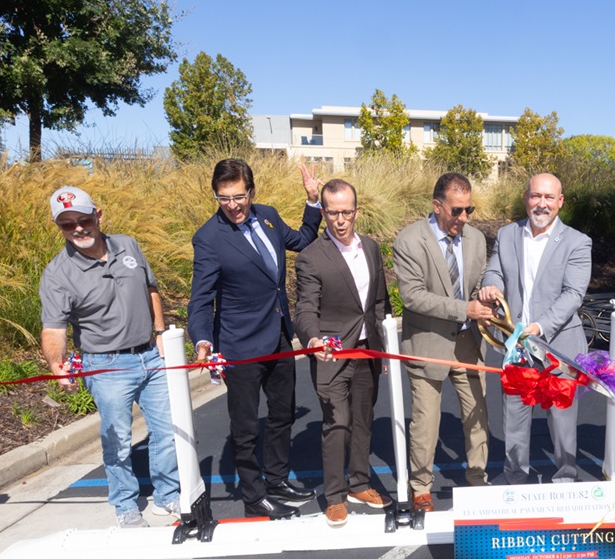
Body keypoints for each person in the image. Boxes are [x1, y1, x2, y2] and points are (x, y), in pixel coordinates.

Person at [188, 159, 321, 520]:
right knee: (245, 428)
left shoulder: (269, 216)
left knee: (283, 414)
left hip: (278, 337)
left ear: (251, 191)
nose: (232, 205)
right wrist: (202, 340)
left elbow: (303, 240)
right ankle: (254, 496)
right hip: (239, 346)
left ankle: (276, 480)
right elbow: (201, 299)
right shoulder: (209, 238)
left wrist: (313, 201)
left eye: (239, 196)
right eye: (224, 198)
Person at [40, 187, 180, 528]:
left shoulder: (128, 245)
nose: (78, 228)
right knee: (117, 440)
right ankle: (125, 505)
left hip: (150, 356)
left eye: (84, 219)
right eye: (67, 224)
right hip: (105, 366)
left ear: (98, 215)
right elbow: (54, 328)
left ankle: (168, 494)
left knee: (168, 431)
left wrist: (160, 332)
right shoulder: (57, 274)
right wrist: (57, 365)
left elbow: (150, 288)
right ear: (59, 227)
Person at [479, 173, 592, 484]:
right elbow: (494, 270)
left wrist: (539, 327)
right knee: (514, 419)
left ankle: (565, 480)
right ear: (526, 198)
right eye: (535, 196)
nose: (541, 204)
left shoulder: (577, 242)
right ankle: (515, 480)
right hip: (516, 347)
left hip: (559, 347)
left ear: (560, 201)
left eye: (548, 197)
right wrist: (491, 285)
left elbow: (573, 294)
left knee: (562, 422)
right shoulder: (507, 234)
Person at [392, 172, 494, 512]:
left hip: (469, 343)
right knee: (426, 422)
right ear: (437, 206)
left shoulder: (476, 239)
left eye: (469, 209)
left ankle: (478, 480)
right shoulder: (410, 240)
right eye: (457, 210)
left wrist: (488, 300)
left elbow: (479, 283)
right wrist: (465, 308)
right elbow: (413, 297)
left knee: (477, 416)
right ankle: (421, 487)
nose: (464, 218)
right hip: (427, 344)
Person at [293, 179, 390, 527]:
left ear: (356, 211)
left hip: (367, 351)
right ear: (323, 213)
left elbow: (379, 301)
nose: (340, 220)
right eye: (333, 213)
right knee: (338, 424)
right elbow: (305, 309)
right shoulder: (310, 258)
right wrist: (312, 338)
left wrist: (383, 346)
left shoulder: (371, 248)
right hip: (330, 355)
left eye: (346, 212)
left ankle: (359, 484)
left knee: (363, 419)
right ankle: (334, 496)